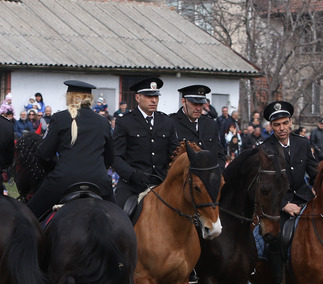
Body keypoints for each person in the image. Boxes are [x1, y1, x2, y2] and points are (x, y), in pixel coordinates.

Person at [26, 80, 115, 220]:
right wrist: (95, 168)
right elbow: (110, 157)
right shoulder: (103, 122)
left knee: (27, 217)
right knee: (120, 219)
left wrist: (54, 168)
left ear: (69, 97)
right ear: (90, 99)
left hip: (63, 180)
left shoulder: (59, 118)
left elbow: (44, 154)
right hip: (98, 180)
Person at [263, 100, 317, 284]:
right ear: (271, 127)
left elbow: (314, 173)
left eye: (285, 123)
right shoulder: (266, 149)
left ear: (290, 123)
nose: (282, 128)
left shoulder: (302, 143)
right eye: (277, 125)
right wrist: (284, 205)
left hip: (306, 200)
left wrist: (320, 195)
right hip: (281, 205)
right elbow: (266, 187)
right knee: (276, 238)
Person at [111, 76, 179, 207]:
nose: (154, 100)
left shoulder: (167, 122)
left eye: (156, 96)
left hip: (162, 183)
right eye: (148, 96)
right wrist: (132, 174)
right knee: (119, 218)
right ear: (138, 98)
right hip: (133, 185)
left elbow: (174, 154)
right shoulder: (125, 122)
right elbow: (115, 156)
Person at [171, 84, 225, 170]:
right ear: (183, 102)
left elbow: (219, 155)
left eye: (201, 104)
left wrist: (216, 174)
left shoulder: (210, 124)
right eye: (194, 104)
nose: (198, 108)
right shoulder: (171, 123)